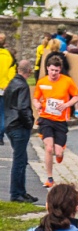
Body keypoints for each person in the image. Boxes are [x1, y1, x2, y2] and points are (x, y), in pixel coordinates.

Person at [34, 55, 78, 189]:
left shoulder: (67, 81)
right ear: (47, 68)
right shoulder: (42, 82)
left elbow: (76, 96)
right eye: (52, 70)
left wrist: (67, 105)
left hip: (60, 121)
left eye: (56, 70)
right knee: (49, 148)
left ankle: (60, 153)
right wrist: (37, 104)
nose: (54, 73)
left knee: (58, 152)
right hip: (46, 119)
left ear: (60, 70)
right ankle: (49, 178)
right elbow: (35, 98)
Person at [5, 59, 37, 202]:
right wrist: (30, 122)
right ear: (29, 71)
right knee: (19, 160)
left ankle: (21, 191)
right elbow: (23, 108)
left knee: (22, 159)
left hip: (10, 124)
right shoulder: (23, 86)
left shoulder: (11, 83)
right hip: (19, 125)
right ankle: (16, 193)